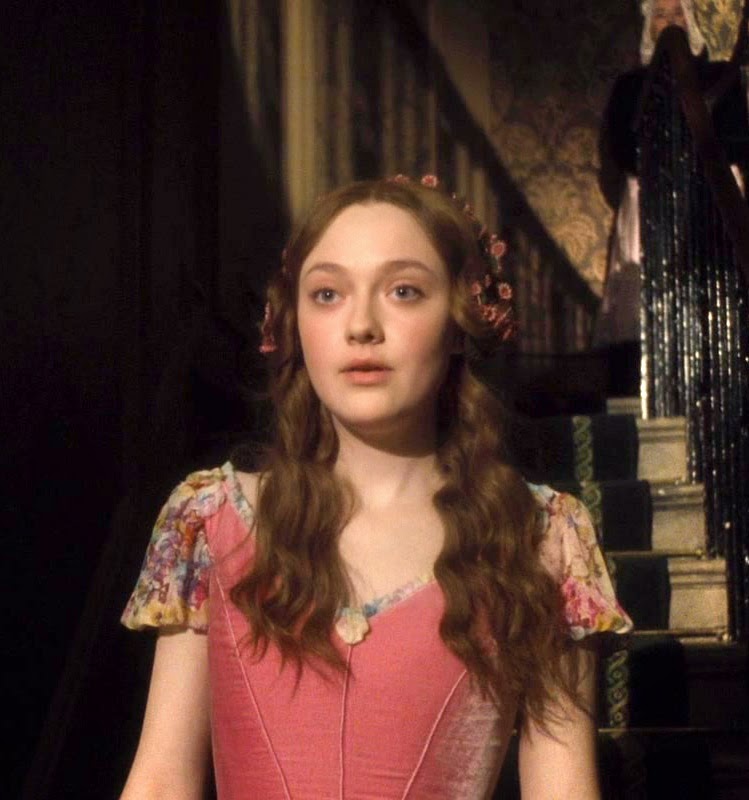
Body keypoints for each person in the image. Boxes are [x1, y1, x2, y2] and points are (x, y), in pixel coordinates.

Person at [119, 175, 632, 799]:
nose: (361, 325)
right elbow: (161, 781)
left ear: (459, 320)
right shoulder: (208, 521)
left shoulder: (543, 541)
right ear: (294, 323)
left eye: (403, 291)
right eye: (328, 293)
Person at [595, 0, 749, 395]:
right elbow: (622, 148)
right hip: (650, 200)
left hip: (708, 206)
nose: (670, 23)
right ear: (649, 25)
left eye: (678, 14)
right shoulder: (630, 87)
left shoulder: (719, 77)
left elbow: (737, 141)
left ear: (691, 21)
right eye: (661, 15)